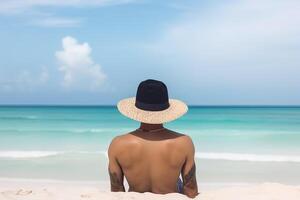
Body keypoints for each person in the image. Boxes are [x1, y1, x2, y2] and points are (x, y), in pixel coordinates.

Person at [108, 79, 199, 198]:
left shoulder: (118, 144)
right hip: (171, 194)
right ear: (166, 110)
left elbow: (117, 192)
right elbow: (190, 190)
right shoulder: (184, 142)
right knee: (179, 182)